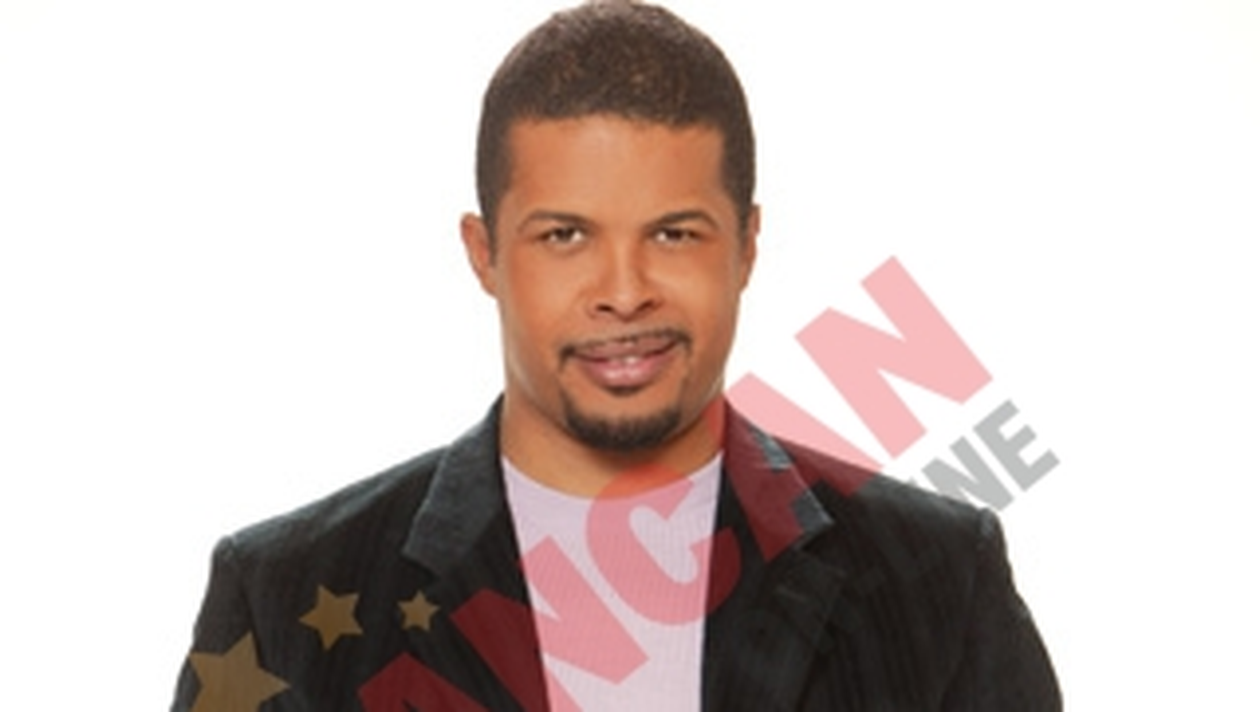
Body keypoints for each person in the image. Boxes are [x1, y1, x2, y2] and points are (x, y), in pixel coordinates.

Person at [171, 1, 1061, 710]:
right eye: (565, 236)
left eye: (674, 234)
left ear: (746, 247)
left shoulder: (941, 578)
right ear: (484, 254)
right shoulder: (281, 599)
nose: (625, 291)